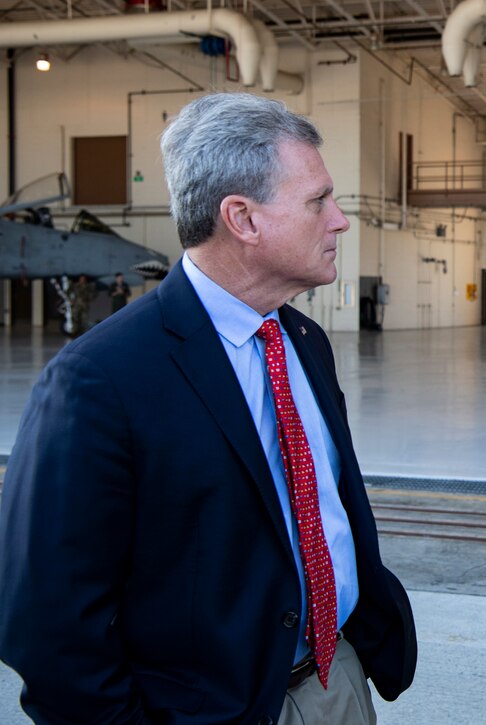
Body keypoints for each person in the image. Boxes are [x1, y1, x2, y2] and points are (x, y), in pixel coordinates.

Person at [0, 93, 416, 724]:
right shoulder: (99, 378)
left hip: (336, 680)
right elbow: (48, 621)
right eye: (317, 201)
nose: (340, 220)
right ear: (242, 219)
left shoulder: (305, 344)